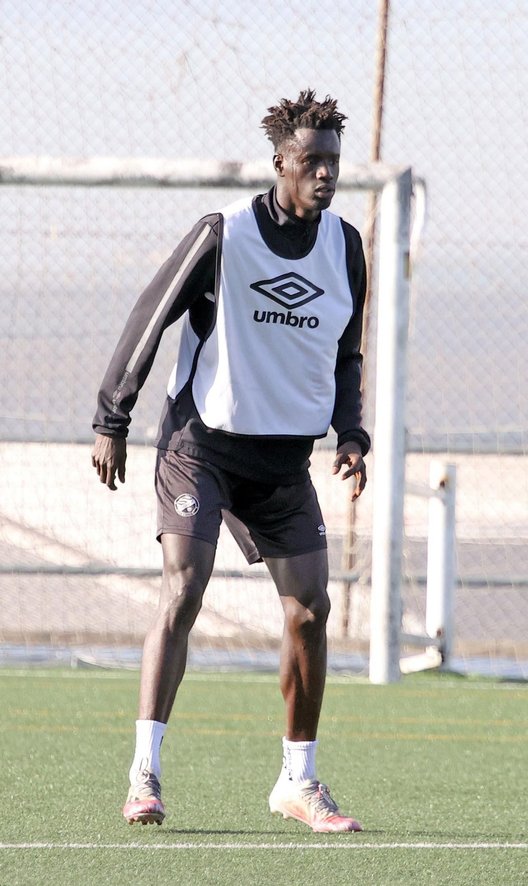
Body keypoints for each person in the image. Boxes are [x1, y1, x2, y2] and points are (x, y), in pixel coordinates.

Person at [91, 90, 368, 830]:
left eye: (333, 163)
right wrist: (110, 418)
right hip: (201, 448)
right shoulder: (225, 235)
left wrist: (351, 433)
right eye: (311, 161)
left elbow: (345, 354)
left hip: (282, 464)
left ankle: (298, 783)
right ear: (280, 161)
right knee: (183, 591)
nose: (324, 174)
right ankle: (143, 776)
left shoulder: (346, 247)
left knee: (311, 610)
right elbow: (147, 317)